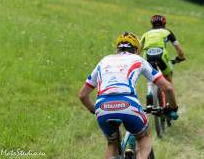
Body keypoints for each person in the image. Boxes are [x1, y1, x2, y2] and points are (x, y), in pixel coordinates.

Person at [78, 31, 179, 159]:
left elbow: (82, 95)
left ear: (117, 49)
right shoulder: (138, 59)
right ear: (136, 49)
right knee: (144, 137)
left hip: (102, 106)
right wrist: (173, 108)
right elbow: (168, 88)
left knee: (112, 143)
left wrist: (95, 110)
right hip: (128, 103)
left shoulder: (104, 61)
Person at [140, 15, 185, 104]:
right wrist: (180, 58)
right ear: (164, 23)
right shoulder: (167, 32)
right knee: (168, 79)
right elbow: (180, 51)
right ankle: (172, 109)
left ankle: (150, 92)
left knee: (151, 75)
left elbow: (138, 50)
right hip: (161, 55)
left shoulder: (146, 33)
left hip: (147, 55)